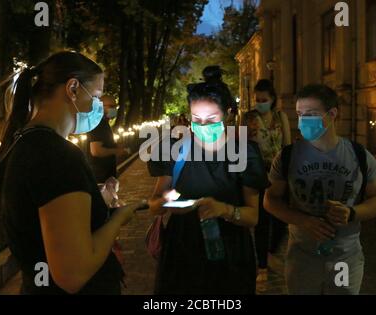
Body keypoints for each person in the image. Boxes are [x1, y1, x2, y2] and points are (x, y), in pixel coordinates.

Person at [0, 51, 145, 294]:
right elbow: (73, 274)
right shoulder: (56, 154)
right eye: (97, 96)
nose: (99, 108)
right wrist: (120, 216)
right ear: (73, 88)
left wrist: (95, 202)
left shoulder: (24, 143)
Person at [264, 84, 376, 294]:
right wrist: (303, 220)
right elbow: (270, 200)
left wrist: (351, 213)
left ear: (332, 114)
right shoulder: (287, 157)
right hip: (303, 257)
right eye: (300, 114)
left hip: (344, 258)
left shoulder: (359, 155)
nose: (303, 120)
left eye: (311, 114)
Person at [147, 82, 267, 294]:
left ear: (228, 114)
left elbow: (253, 216)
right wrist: (165, 201)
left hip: (230, 255)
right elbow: (154, 205)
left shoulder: (245, 154)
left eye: (211, 119)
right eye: (196, 120)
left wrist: (225, 210)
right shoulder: (174, 150)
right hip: (182, 253)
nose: (203, 126)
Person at [250, 79, 291, 292]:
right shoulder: (249, 119)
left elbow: (287, 145)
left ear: (272, 99)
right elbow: (241, 146)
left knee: (281, 220)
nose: (260, 103)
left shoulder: (280, 116)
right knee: (262, 221)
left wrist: (289, 170)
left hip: (278, 175)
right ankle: (263, 266)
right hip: (257, 175)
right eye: (257, 99)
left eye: (264, 100)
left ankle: (271, 251)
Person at [88, 95, 128, 183]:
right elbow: (96, 151)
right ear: (101, 106)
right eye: (112, 106)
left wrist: (115, 146)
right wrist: (117, 151)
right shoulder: (98, 124)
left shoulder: (103, 123)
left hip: (105, 174)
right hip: (100, 176)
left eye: (116, 106)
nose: (115, 109)